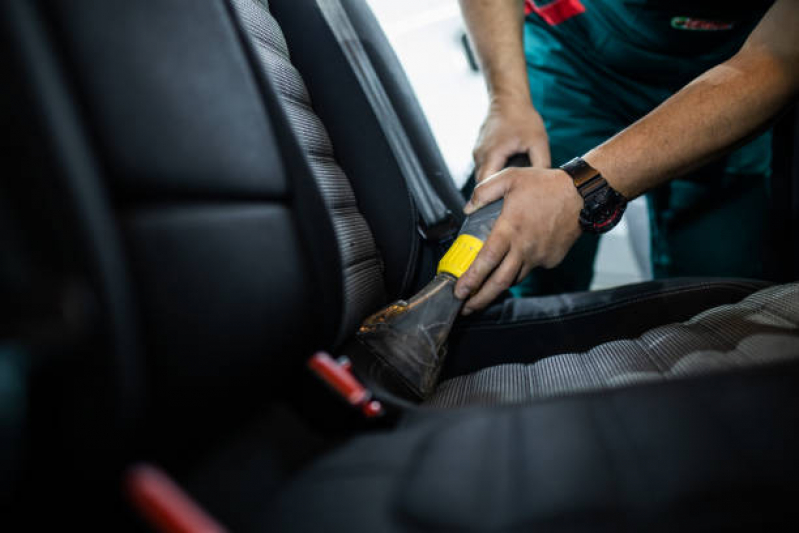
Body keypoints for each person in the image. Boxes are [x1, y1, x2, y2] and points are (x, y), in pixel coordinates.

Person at [454, 0, 799, 314]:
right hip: (577, 53)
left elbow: (780, 56)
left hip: (738, 66)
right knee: (515, 255)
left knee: (723, 294)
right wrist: (507, 99)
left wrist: (582, 189)